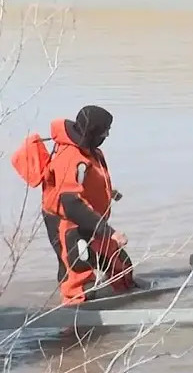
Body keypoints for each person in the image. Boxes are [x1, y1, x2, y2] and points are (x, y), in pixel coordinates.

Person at [10, 106, 137, 305]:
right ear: (92, 132)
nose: (107, 134)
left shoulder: (91, 151)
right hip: (68, 224)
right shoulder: (72, 157)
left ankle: (126, 298)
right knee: (77, 274)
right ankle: (74, 319)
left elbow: (87, 180)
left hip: (90, 219)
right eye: (105, 131)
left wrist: (108, 192)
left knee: (121, 266)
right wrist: (109, 231)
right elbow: (70, 202)